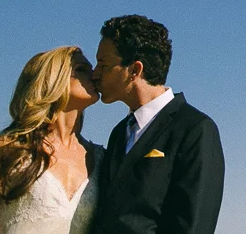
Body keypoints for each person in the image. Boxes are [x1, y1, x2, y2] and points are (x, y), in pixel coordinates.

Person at [92, 15, 224, 234]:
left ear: (134, 70)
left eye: (103, 64)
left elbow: (193, 226)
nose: (95, 74)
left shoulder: (195, 129)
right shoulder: (119, 133)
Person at [0, 46, 104, 234]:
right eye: (82, 69)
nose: (95, 75)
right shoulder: (10, 149)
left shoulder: (103, 160)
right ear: (54, 79)